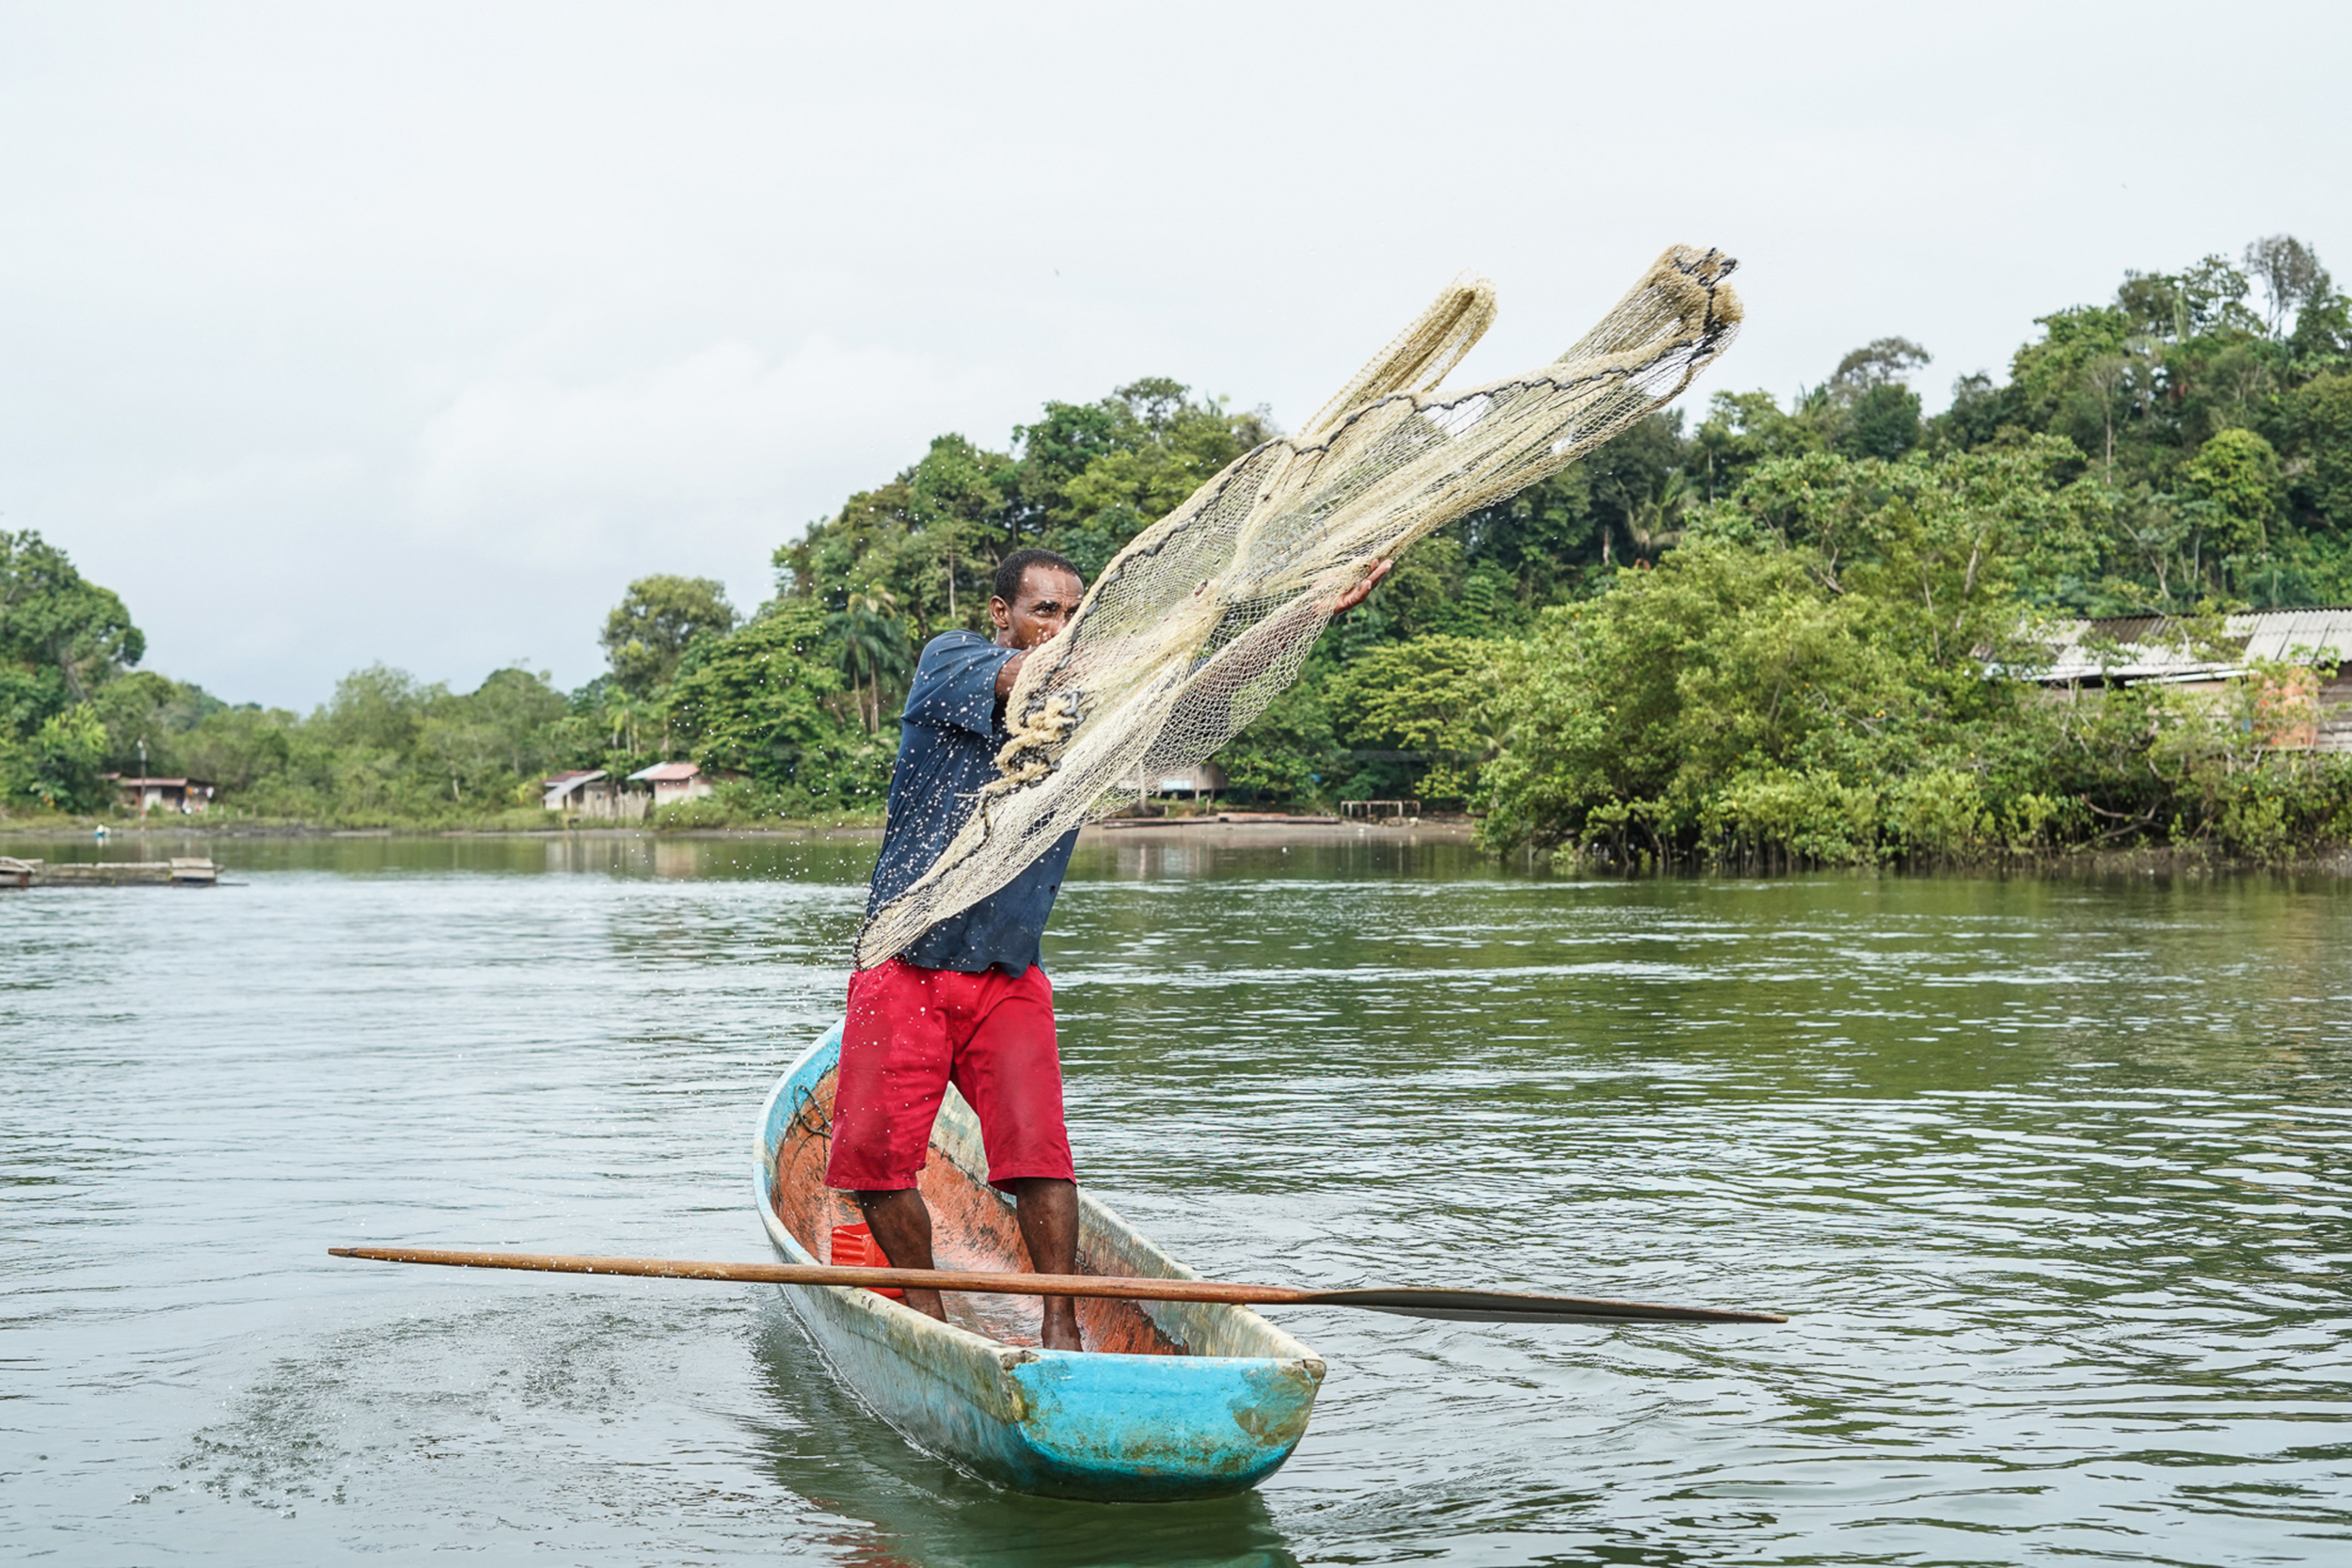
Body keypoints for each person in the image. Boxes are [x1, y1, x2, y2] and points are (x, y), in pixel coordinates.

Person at [825, 546, 1390, 1351]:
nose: (1057, 626)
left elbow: (1211, 688)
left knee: (1038, 1155)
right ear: (1002, 616)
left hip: (1005, 970)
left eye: (1071, 613)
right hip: (903, 960)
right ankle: (930, 1319)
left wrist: (1305, 616)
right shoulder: (950, 662)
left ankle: (1062, 1326)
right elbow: (1027, 682)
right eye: (1043, 611)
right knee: (878, 1167)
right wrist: (1146, 638)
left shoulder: (1095, 718)